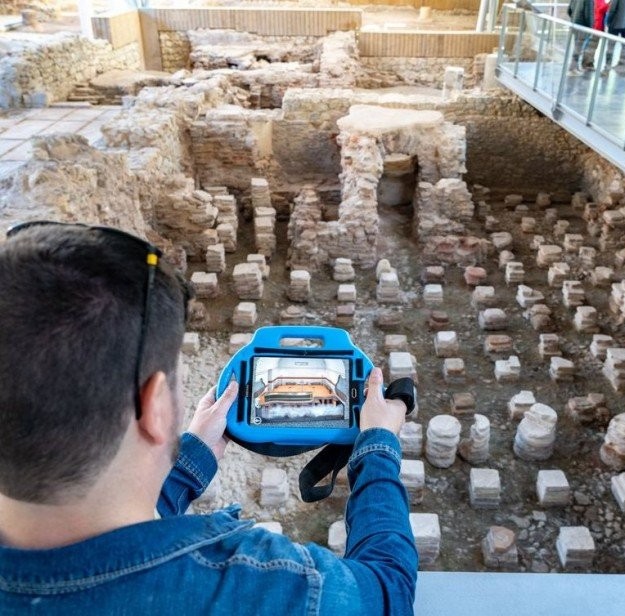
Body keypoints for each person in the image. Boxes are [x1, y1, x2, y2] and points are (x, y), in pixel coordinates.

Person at [0, 222, 417, 615]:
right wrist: (378, 443)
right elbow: (386, 590)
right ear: (157, 407)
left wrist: (193, 460)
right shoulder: (261, 585)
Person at [567, 0, 594, 75]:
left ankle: (575, 67)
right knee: (578, 48)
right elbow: (589, 14)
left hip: (575, 24)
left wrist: (573, 18)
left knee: (577, 47)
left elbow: (569, 10)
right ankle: (572, 68)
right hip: (583, 26)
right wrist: (591, 27)